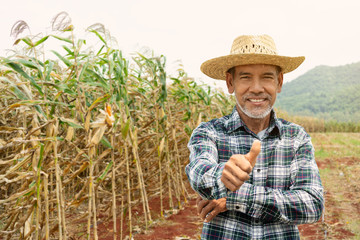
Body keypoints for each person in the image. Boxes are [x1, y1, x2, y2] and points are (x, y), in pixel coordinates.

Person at [185, 34, 324, 239]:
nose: (257, 88)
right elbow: (199, 173)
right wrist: (223, 175)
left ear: (279, 82)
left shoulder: (296, 137)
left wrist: (232, 198)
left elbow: (312, 204)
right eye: (246, 77)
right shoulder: (209, 132)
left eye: (267, 77)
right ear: (231, 83)